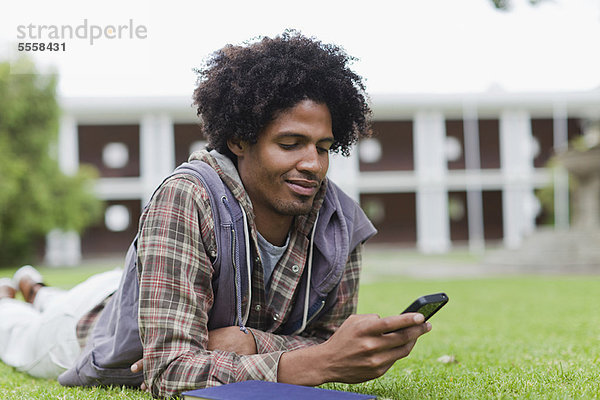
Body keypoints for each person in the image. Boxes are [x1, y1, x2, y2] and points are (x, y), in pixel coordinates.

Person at [0, 30, 432, 398]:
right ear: (240, 140)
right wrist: (314, 363)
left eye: (322, 148)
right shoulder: (187, 197)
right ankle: (19, 297)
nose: (313, 164)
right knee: (17, 332)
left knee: (53, 297)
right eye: (290, 144)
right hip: (90, 324)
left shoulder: (341, 222)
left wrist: (247, 341)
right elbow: (169, 371)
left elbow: (326, 337)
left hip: (131, 285)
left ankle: (34, 287)